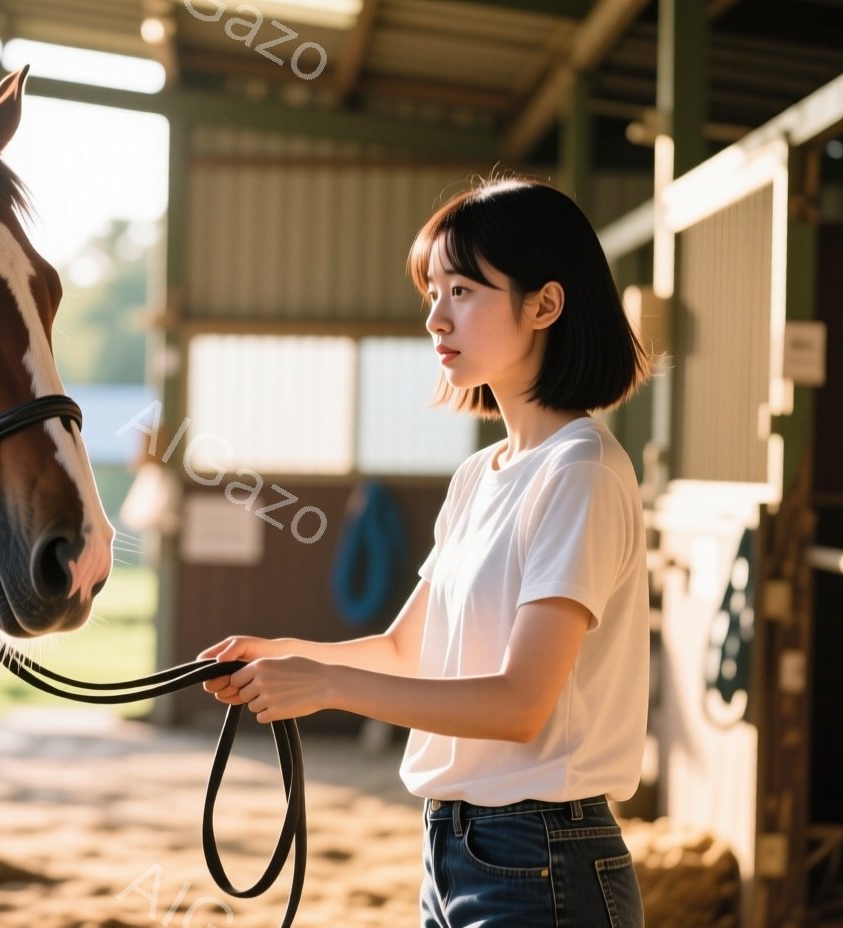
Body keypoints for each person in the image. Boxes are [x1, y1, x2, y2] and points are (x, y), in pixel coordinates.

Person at [200, 178, 655, 927]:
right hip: (455, 844)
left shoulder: (581, 472)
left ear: (545, 304)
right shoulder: (482, 473)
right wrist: (280, 654)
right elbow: (410, 647)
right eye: (434, 290)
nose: (436, 317)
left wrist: (324, 686)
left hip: (542, 859)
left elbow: (519, 704)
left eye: (465, 290)